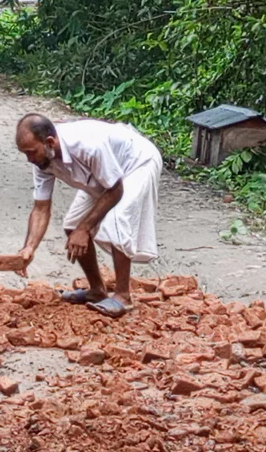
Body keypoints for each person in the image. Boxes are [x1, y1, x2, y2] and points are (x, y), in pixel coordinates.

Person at [11, 113, 163, 318]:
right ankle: (97, 291)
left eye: (31, 152)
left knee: (117, 220)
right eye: (25, 154)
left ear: (49, 142)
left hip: (136, 163)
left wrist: (86, 228)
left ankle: (123, 296)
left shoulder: (87, 145)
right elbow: (41, 207)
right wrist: (29, 247)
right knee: (72, 225)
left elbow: (116, 190)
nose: (29, 159)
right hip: (105, 176)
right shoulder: (43, 161)